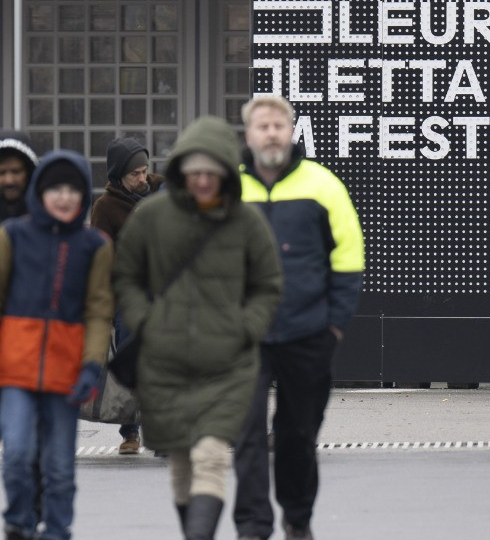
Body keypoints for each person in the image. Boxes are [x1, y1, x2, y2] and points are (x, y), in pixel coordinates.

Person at [112, 116, 282, 540]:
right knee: (182, 462)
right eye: (195, 171)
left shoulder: (246, 222)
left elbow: (268, 283)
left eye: (212, 171)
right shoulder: (151, 217)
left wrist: (247, 327)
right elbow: (126, 275)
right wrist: (144, 320)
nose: (203, 180)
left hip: (227, 363)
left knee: (210, 455)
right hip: (166, 362)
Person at [233, 95, 364, 540]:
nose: (271, 133)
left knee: (298, 434)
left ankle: (298, 518)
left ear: (291, 131)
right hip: (244, 337)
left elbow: (348, 258)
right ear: (249, 134)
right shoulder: (229, 191)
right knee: (246, 434)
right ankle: (253, 526)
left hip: (308, 334)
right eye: (263, 126)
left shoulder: (323, 186)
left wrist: (334, 326)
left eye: (279, 125)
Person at [0, 151, 113, 540]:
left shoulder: (94, 245)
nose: (63, 197)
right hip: (15, 370)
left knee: (60, 467)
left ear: (83, 195)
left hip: (66, 373)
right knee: (17, 453)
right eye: (55, 189)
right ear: (39, 192)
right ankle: (18, 521)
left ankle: (58, 530)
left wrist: (91, 365)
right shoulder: (13, 236)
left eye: (72, 190)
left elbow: (98, 311)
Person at [90, 137, 164, 455]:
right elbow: (101, 258)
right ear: (119, 175)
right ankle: (130, 430)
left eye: (145, 170)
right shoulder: (105, 208)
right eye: (135, 173)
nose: (142, 178)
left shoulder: (162, 189)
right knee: (130, 360)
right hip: (128, 295)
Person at [0, 131, 38, 223]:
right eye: (1, 173)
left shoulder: (50, 216)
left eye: (16, 172)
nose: (9, 181)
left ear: (29, 173)